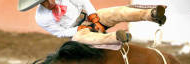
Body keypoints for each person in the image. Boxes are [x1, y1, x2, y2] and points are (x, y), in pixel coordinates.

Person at [18, 0, 166, 47]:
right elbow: (60, 32)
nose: (49, 3)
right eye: (43, 2)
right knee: (85, 38)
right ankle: (116, 37)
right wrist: (81, 28)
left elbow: (84, 2)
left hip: (89, 17)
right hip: (77, 31)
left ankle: (151, 15)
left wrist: (94, 19)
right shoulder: (41, 19)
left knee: (115, 12)